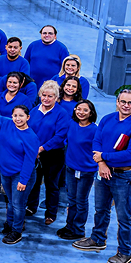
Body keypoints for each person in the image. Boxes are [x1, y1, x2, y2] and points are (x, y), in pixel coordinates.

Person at [72, 86, 131, 263]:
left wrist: (103, 157)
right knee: (101, 209)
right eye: (123, 101)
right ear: (117, 102)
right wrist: (101, 164)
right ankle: (98, 239)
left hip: (124, 176)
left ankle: (124, 252)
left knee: (124, 216)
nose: (126, 105)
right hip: (103, 172)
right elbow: (96, 141)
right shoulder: (107, 119)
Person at [0, 106, 40, 245]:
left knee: (18, 203)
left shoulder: (31, 137)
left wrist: (23, 180)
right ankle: (9, 224)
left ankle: (17, 231)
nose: (17, 119)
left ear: (28, 117)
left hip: (21, 175)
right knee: (10, 201)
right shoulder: (7, 123)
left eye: (21, 116)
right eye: (15, 115)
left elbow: (29, 161)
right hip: (6, 172)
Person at [27, 80, 69, 224]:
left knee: (51, 184)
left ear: (56, 98)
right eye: (43, 95)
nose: (46, 98)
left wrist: (41, 148)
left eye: (50, 96)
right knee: (34, 181)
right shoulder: (34, 111)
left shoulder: (61, 114)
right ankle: (31, 207)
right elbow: (29, 131)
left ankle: (51, 213)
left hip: (53, 155)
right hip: (35, 153)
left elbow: (60, 136)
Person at [56, 99, 98, 242]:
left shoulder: (94, 130)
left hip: (86, 170)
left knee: (81, 200)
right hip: (71, 168)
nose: (81, 112)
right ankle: (69, 226)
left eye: (85, 110)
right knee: (71, 199)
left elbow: (98, 149)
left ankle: (79, 229)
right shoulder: (71, 124)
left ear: (91, 113)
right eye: (78, 109)